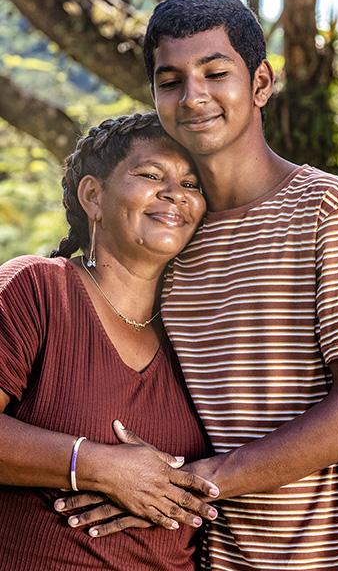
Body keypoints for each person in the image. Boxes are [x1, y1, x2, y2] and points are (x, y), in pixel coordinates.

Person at [61, 0, 338, 570]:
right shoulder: (174, 238)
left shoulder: (327, 209)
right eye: (170, 82)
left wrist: (190, 483)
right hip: (223, 552)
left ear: (261, 84)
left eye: (215, 73)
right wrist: (114, 472)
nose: (194, 97)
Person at [0, 111, 222, 571]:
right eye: (150, 174)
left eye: (191, 183)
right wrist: (99, 466)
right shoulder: (39, 289)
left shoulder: (198, 333)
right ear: (93, 196)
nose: (174, 193)